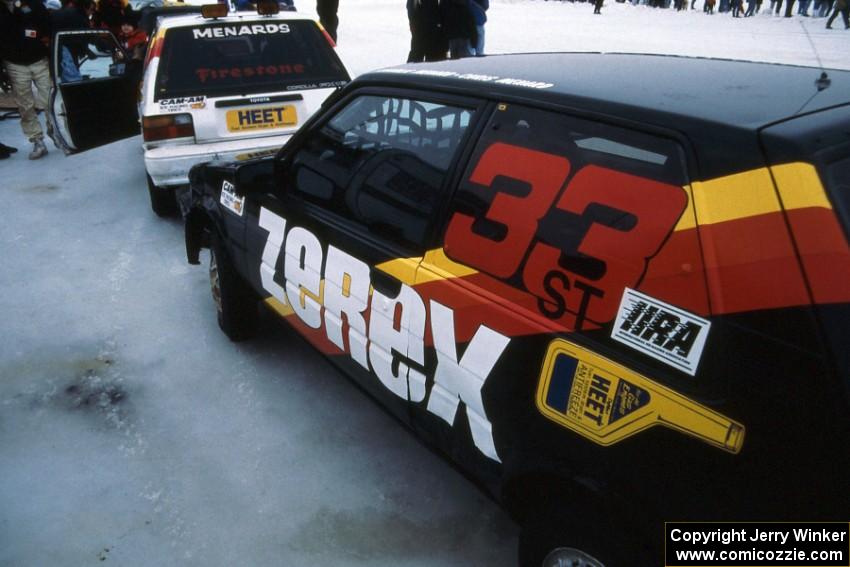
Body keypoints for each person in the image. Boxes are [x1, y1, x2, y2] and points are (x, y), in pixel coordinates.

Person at [0, 0, 54, 159]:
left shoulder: (33, 4)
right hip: (14, 63)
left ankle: (55, 132)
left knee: (49, 99)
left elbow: (48, 26)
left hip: (39, 59)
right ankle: (37, 140)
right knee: (25, 105)